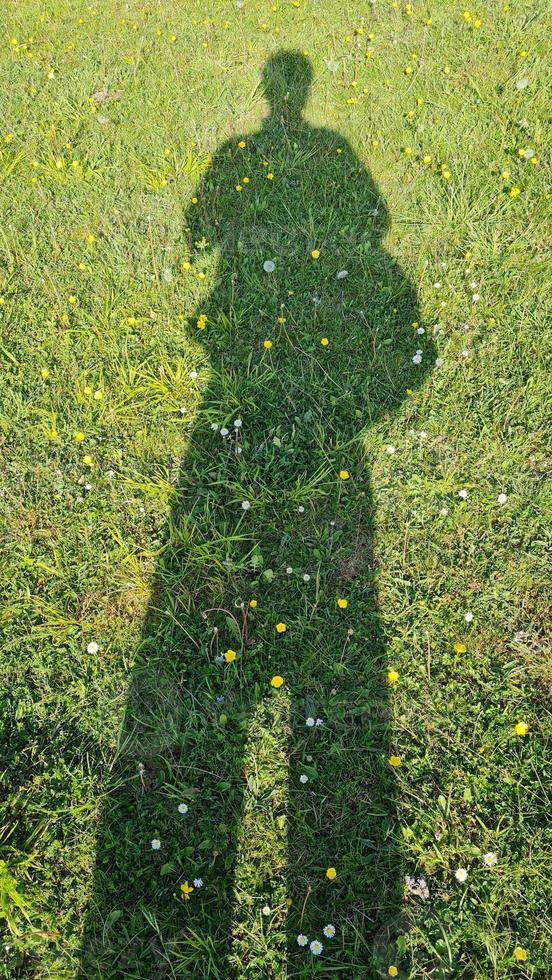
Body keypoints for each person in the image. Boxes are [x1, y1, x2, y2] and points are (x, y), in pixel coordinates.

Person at [82, 51, 433, 976]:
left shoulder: (242, 153)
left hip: (240, 372)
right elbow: (374, 222)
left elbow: (201, 230)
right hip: (303, 400)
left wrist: (222, 236)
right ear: (299, 94)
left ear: (271, 94)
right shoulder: (324, 155)